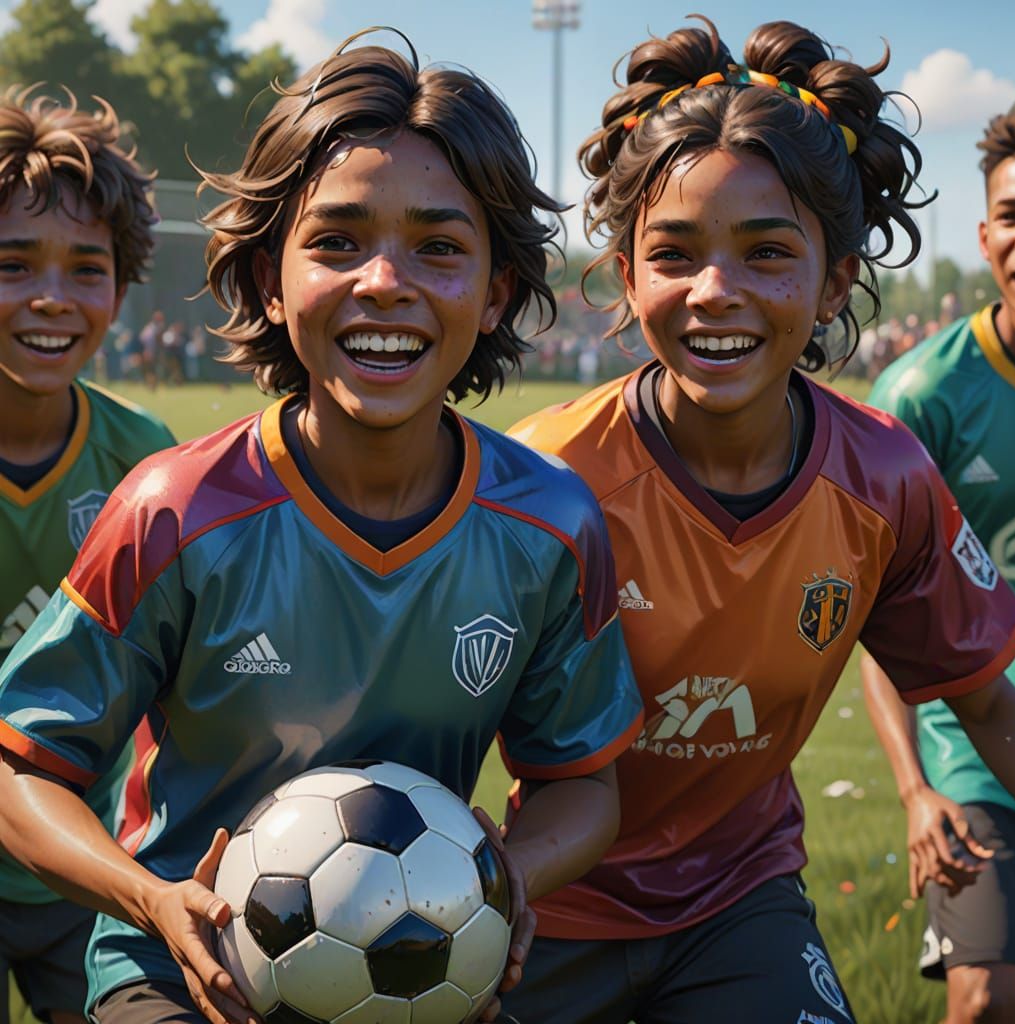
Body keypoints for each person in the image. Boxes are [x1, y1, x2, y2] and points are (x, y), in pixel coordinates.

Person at [0, 33, 643, 1024]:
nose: (385, 281)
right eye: (337, 241)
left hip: (424, 983)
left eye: (438, 246)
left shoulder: (549, 523)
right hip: (174, 982)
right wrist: (153, 901)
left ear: (497, 290)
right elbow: (21, 769)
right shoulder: (173, 510)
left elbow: (583, 785)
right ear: (269, 280)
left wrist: (496, 880)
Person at [502, 18, 1015, 1024]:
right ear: (626, 277)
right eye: (674, 252)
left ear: (833, 279)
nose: (715, 292)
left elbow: (991, 708)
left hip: (739, 905)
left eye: (766, 252)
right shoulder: (546, 480)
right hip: (545, 911)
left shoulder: (886, 480)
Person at [0, 87, 175, 1024]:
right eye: (13, 262)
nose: (51, 298)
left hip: (90, 867)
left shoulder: (146, 462)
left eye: (86, 267)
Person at [862, 103, 1015, 1024]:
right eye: (1013, 214)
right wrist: (915, 791)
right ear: (985, 235)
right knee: (984, 1000)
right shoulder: (922, 397)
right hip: (974, 756)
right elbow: (881, 620)